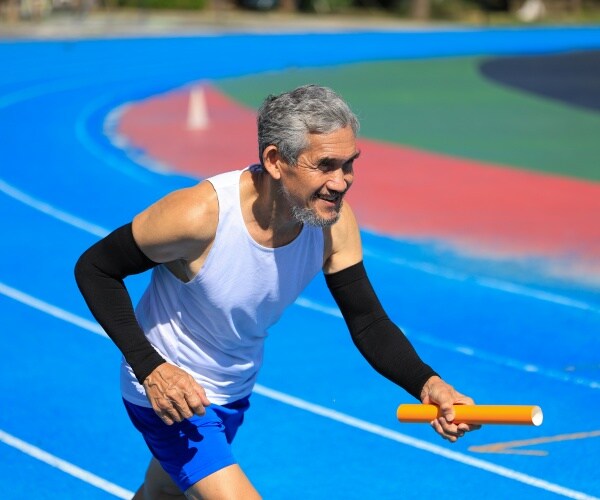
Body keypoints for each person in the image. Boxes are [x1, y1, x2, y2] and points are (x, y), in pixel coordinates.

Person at [75, 84, 479, 500]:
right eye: (325, 165)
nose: (341, 183)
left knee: (162, 494)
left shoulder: (333, 225)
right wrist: (152, 368)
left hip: (232, 391)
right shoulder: (201, 216)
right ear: (274, 160)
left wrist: (427, 383)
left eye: (349, 165)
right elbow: (95, 268)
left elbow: (368, 320)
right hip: (169, 394)